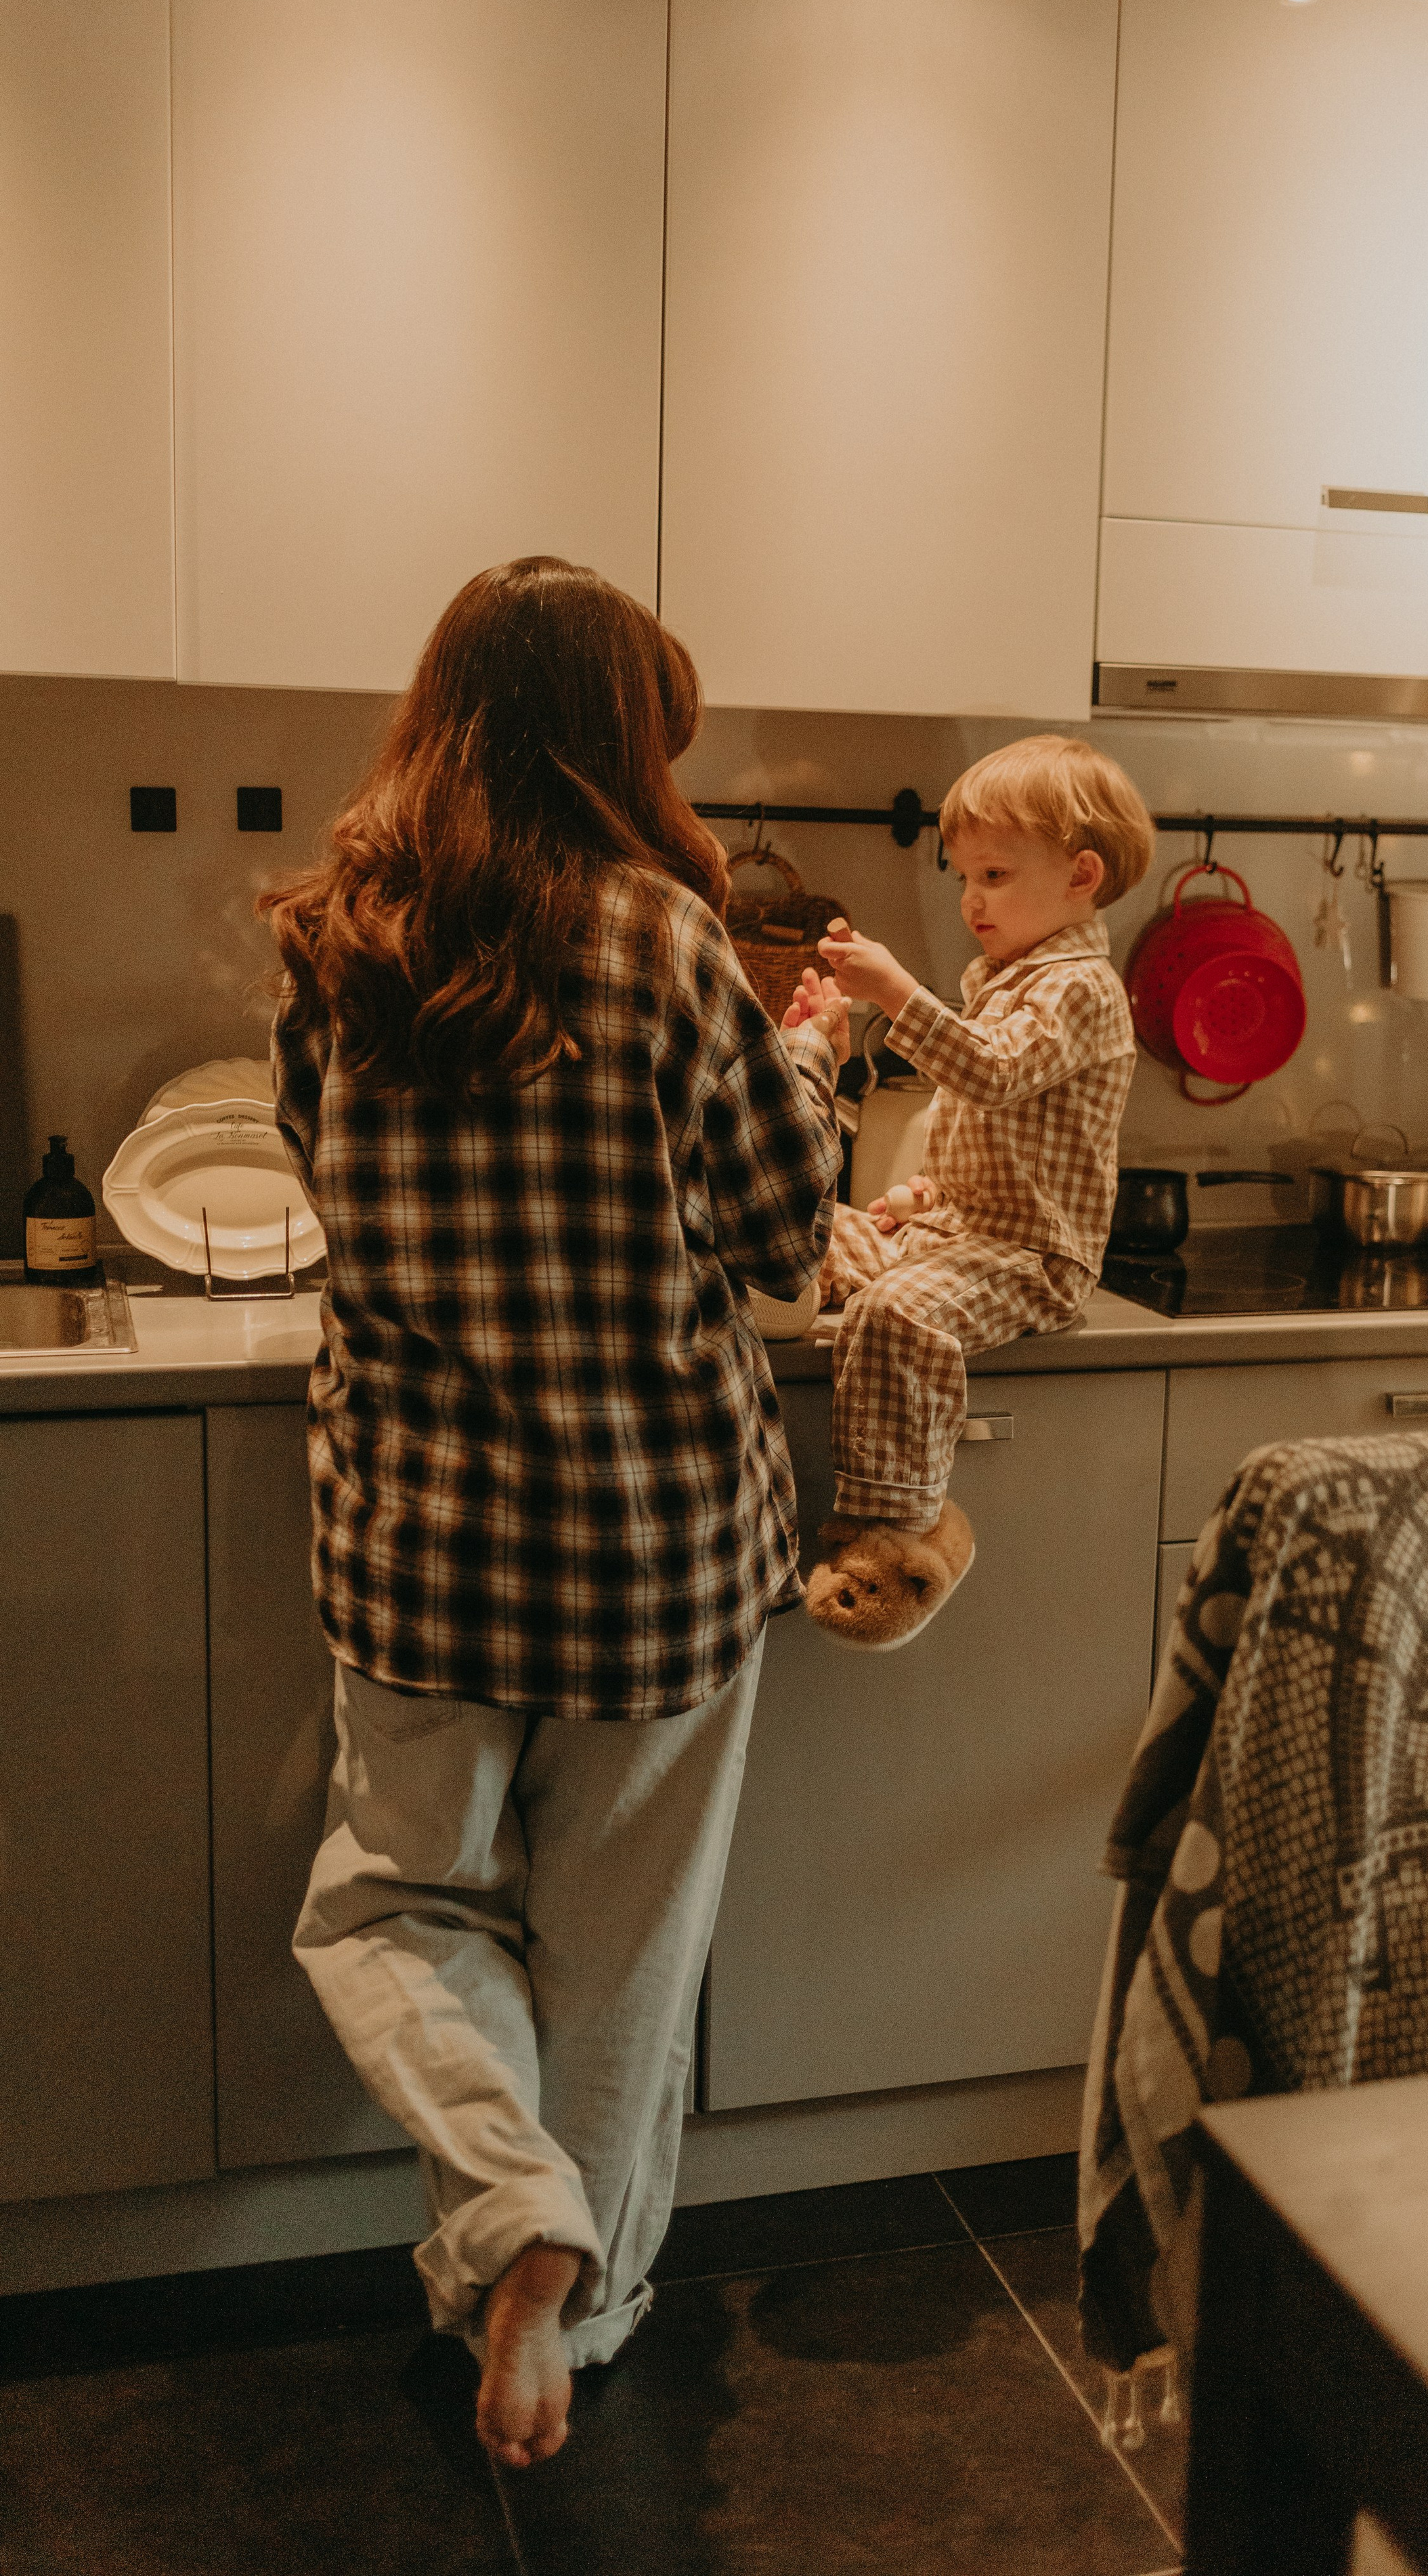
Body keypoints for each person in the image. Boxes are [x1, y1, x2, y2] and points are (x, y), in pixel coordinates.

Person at [257, 557, 846, 2470]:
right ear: (614, 743)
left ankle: (511, 2220)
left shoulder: (340, 932)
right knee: (623, 1966)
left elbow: (324, 1185)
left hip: (417, 1550)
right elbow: (778, 1240)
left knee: (388, 1912)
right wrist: (812, 1071)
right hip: (656, 1556)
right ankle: (568, 2319)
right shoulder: (667, 943)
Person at [794, 733, 1150, 1650]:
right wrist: (917, 1196)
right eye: (964, 876)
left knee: (902, 1315)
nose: (971, 900)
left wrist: (898, 995)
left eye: (994, 874)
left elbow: (993, 1074)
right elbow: (986, 1131)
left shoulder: (1082, 988)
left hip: (1035, 1257)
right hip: (963, 1232)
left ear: (1082, 874)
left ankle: (899, 1545)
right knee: (820, 1230)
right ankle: (818, 1292)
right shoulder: (1002, 980)